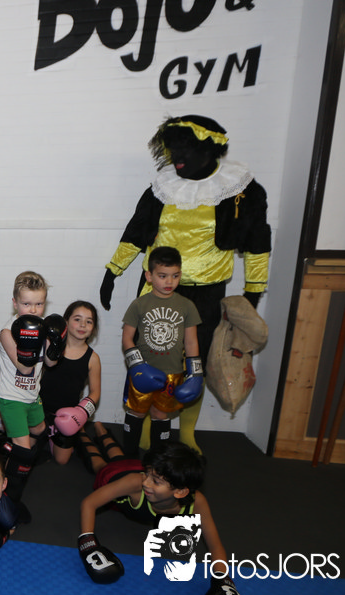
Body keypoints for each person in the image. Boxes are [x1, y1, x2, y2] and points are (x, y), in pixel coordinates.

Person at [100, 115, 272, 451]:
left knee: (196, 364)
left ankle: (187, 432)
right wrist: (113, 271)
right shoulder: (163, 187)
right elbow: (136, 232)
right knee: (149, 359)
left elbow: (257, 244)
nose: (177, 157)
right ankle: (144, 425)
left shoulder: (240, 189)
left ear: (209, 149)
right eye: (172, 150)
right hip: (156, 290)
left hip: (206, 293)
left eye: (185, 150)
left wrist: (252, 293)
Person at [76, 438, 250, 595]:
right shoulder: (138, 482)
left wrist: (223, 581)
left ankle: (102, 431)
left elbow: (215, 546)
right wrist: (89, 544)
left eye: (156, 481)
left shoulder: (196, 501)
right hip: (116, 478)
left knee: (119, 457)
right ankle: (86, 433)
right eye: (147, 475)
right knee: (101, 465)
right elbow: (89, 503)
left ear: (181, 492)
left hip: (144, 470)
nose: (146, 483)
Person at [120, 247, 202, 455]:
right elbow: (127, 338)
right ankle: (129, 457)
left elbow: (191, 342)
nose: (169, 281)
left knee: (161, 414)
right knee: (136, 412)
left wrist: (195, 374)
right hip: (142, 370)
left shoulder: (187, 306)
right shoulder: (139, 304)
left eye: (175, 276)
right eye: (163, 276)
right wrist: (137, 366)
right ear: (149, 276)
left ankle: (158, 460)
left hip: (172, 373)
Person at [0, 271, 61, 501]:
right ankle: (8, 497)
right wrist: (31, 340)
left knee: (40, 430)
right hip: (11, 397)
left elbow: (51, 363)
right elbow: (24, 368)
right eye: (26, 304)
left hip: (32, 394)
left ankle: (15, 453)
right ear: (15, 303)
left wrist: (56, 344)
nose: (33, 310)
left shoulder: (44, 328)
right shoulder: (7, 333)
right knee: (22, 451)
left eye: (39, 304)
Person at [40, 300, 102, 466]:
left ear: (93, 328)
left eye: (89, 321)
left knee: (61, 460)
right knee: (26, 449)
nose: (83, 325)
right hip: (39, 409)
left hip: (67, 416)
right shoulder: (50, 346)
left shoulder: (93, 358)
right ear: (66, 321)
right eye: (77, 319)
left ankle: (60, 433)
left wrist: (81, 412)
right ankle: (46, 432)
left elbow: (95, 392)